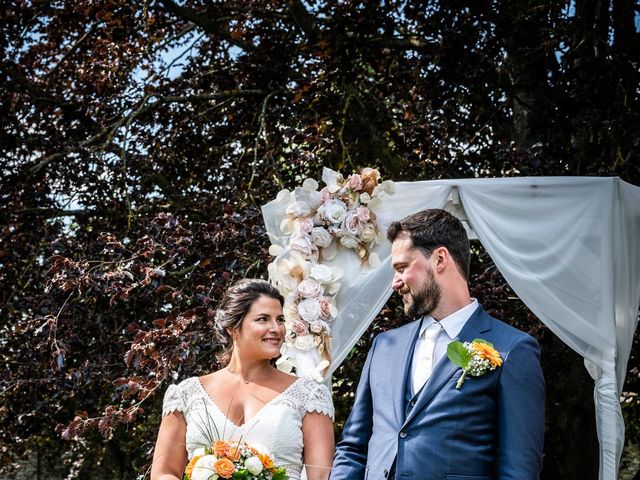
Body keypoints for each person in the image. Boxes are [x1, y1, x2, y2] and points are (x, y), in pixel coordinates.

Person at [330, 208, 544, 480]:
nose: (395, 282)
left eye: (402, 267)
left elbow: (519, 470)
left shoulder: (512, 349)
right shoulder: (384, 346)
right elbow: (353, 449)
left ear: (440, 259)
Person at [150, 278, 335, 480]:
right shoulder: (186, 394)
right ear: (233, 327)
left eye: (280, 319)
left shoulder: (310, 395)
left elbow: (321, 476)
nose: (276, 328)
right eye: (263, 319)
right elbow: (164, 473)